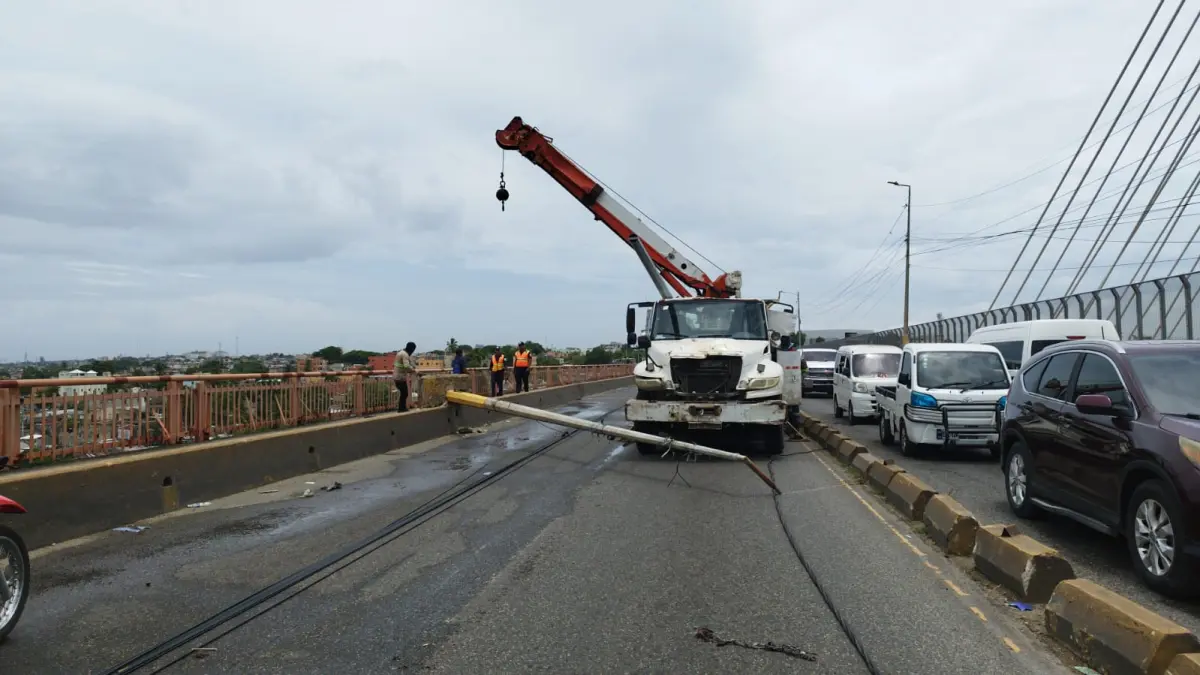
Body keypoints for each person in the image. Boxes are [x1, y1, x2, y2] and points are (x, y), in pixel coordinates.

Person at [394, 342, 417, 412]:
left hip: (397, 376)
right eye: (413, 350)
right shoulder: (405, 355)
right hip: (400, 377)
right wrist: (414, 371)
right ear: (411, 349)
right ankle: (401, 408)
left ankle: (401, 408)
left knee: (403, 393)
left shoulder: (400, 352)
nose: (413, 352)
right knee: (405, 393)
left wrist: (412, 367)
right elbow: (406, 366)